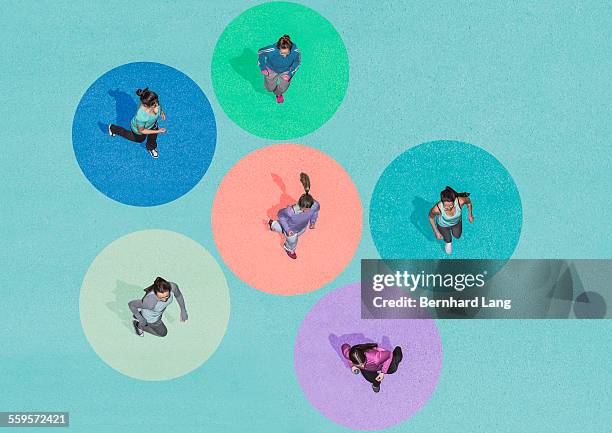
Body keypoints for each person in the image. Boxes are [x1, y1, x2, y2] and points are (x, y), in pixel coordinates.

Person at [268, 173, 320, 260]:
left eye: (308, 209)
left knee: (283, 229)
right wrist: (288, 230)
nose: (305, 212)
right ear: (299, 204)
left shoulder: (315, 206)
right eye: (303, 209)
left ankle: (273, 224)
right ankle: (289, 249)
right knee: (292, 241)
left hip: (301, 227)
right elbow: (281, 216)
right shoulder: (290, 211)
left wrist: (313, 222)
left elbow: (315, 213)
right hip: (291, 230)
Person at [108, 88, 166, 158]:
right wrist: (158, 131)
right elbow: (142, 130)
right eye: (154, 105)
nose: (157, 105)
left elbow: (158, 105)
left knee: (152, 137)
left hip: (152, 125)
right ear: (146, 106)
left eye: (157, 102)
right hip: (139, 131)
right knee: (139, 139)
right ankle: (113, 128)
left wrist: (162, 112)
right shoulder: (141, 116)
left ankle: (151, 148)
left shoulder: (153, 102)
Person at [428, 186, 474, 254]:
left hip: (456, 223)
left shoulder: (460, 201)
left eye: (450, 206)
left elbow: (469, 202)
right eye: (445, 206)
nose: (448, 208)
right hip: (443, 226)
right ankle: (448, 243)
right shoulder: (437, 208)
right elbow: (430, 217)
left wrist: (470, 215)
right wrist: (436, 232)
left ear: (454, 200)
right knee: (448, 239)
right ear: (442, 202)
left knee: (457, 236)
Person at [257, 34, 301, 103]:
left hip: (286, 71)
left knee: (283, 88)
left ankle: (278, 94)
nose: (284, 56)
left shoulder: (295, 51)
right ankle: (271, 87)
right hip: (271, 69)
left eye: (287, 53)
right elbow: (260, 52)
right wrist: (263, 67)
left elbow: (297, 62)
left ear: (290, 49)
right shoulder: (272, 49)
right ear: (278, 48)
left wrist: (290, 74)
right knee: (269, 88)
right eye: (282, 53)